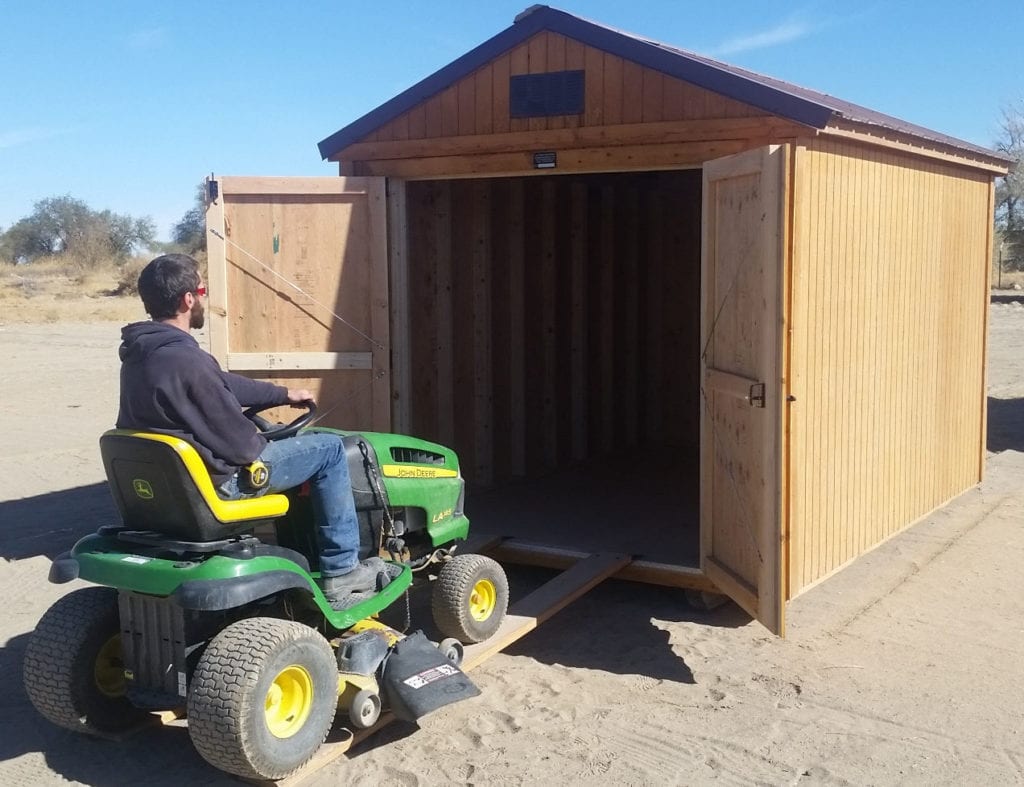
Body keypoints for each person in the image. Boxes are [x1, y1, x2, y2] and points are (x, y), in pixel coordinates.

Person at [116, 253, 393, 609]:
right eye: (201, 290)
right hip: (219, 482)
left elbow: (219, 384)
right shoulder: (188, 361)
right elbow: (246, 449)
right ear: (188, 299)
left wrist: (282, 394)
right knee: (329, 450)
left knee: (294, 443)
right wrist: (268, 434)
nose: (202, 297)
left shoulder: (143, 356)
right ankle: (342, 569)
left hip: (173, 487)